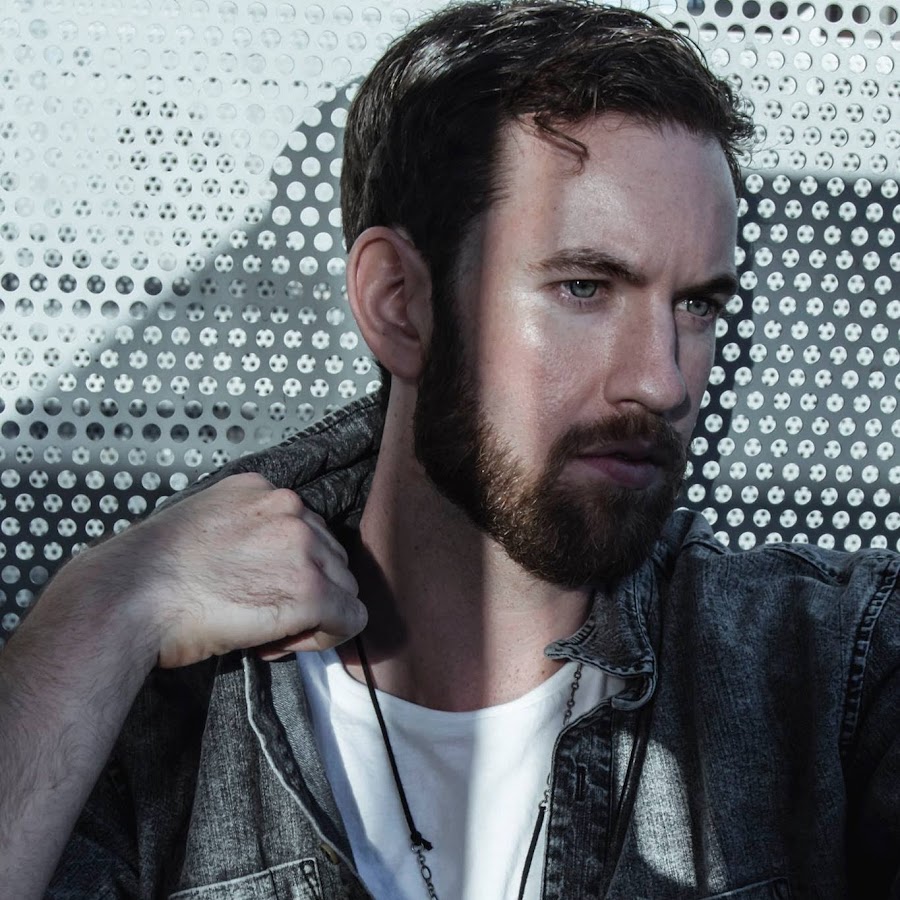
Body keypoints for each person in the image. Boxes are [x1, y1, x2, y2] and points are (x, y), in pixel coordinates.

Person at [1, 1, 897, 897]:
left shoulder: (829, 672)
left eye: (695, 305)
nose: (662, 382)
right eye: (585, 287)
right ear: (400, 303)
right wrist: (101, 606)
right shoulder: (147, 714)